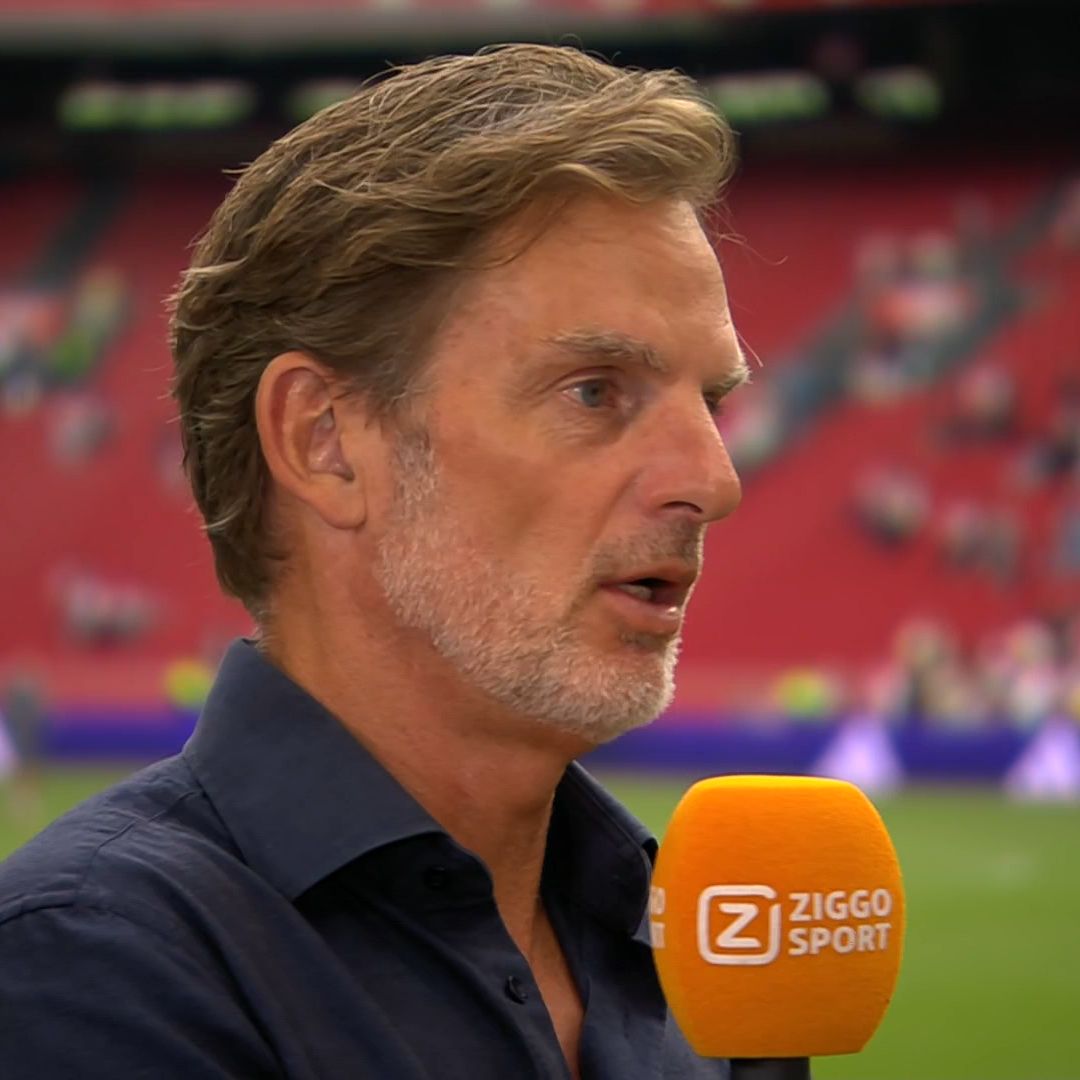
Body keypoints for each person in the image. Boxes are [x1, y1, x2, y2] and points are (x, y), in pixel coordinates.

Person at [0, 44, 748, 1078]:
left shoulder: (689, 960)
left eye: (711, 402)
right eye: (595, 390)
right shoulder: (94, 965)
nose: (713, 479)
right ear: (325, 442)